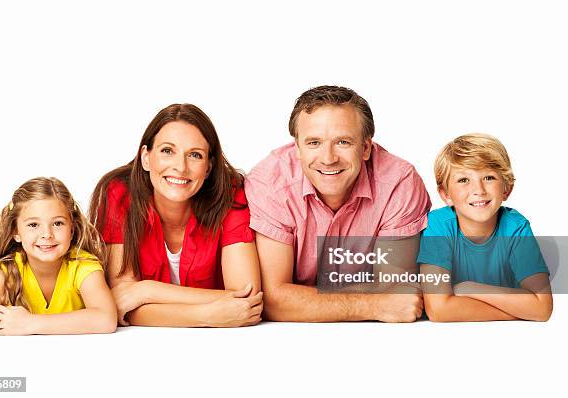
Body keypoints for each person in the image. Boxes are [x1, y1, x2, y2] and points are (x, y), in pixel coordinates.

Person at [245, 85, 431, 322]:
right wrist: (372, 305)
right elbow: (273, 301)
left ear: (365, 148)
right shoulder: (270, 181)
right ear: (297, 149)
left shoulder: (398, 182)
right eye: (314, 143)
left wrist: (303, 300)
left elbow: (393, 290)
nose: (328, 158)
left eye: (343, 142)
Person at [89, 103, 262, 327]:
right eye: (167, 151)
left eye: (195, 155)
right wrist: (207, 316)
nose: (181, 167)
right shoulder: (119, 195)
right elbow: (122, 304)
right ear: (145, 157)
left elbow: (247, 299)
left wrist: (144, 291)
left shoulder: (230, 195)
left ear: (208, 167)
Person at [417, 133, 552, 321]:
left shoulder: (516, 227)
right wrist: (520, 312)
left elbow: (542, 308)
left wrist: (469, 288)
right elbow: (439, 310)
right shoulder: (438, 226)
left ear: (507, 188)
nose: (479, 190)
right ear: (445, 194)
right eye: (463, 180)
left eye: (489, 177)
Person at [0, 177, 117, 335]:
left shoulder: (83, 266)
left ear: (72, 229)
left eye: (58, 223)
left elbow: (106, 320)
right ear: (16, 232)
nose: (47, 234)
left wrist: (30, 324)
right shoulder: (7, 269)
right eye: (33, 225)